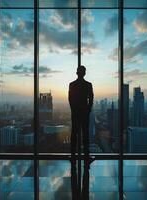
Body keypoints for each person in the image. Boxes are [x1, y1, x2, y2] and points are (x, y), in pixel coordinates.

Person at [68, 65, 94, 200]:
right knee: (84, 135)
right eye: (82, 71)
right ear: (82, 73)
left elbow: (70, 99)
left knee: (76, 135)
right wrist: (87, 110)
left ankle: (73, 157)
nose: (82, 73)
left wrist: (74, 110)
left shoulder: (72, 84)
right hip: (83, 113)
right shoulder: (88, 85)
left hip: (78, 113)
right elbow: (91, 99)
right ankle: (86, 157)